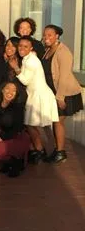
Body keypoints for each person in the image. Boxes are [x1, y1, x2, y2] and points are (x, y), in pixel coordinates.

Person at [9, 36, 59, 164]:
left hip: (39, 95)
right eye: (20, 46)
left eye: (25, 46)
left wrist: (15, 67)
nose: (22, 48)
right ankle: (49, 151)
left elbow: (25, 80)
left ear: (31, 48)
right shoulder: (29, 58)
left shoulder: (31, 61)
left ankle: (42, 150)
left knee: (34, 125)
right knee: (43, 126)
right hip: (37, 94)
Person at [42, 25, 83, 163]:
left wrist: (60, 97)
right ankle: (57, 150)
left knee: (58, 122)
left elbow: (65, 76)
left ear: (57, 36)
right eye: (45, 35)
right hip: (54, 92)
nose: (46, 37)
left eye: (50, 35)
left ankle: (60, 152)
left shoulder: (63, 52)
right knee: (55, 121)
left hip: (65, 93)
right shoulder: (47, 50)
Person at [0, 82, 30, 177]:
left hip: (17, 137)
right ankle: (8, 161)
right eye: (7, 88)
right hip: (1, 136)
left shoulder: (18, 108)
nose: (10, 92)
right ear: (2, 90)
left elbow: (17, 129)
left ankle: (17, 161)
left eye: (14, 90)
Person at [3, 37, 27, 103]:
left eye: (13, 46)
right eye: (8, 45)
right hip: (7, 96)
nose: (9, 48)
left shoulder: (19, 61)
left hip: (16, 97)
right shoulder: (6, 59)